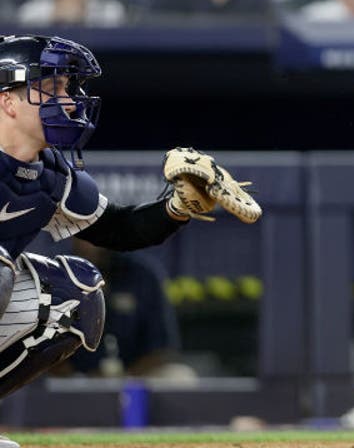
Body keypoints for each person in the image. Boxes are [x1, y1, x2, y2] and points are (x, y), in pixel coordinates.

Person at [0, 35, 259, 448]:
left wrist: (178, 205)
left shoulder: (49, 177)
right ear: (8, 100)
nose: (67, 101)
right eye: (51, 89)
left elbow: (120, 230)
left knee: (75, 295)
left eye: (67, 89)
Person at [67, 240, 184, 378]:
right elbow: (40, 349)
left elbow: (163, 349)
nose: (88, 241)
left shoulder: (142, 274)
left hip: (134, 377)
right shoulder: (55, 272)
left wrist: (127, 377)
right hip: (72, 380)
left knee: (178, 375)